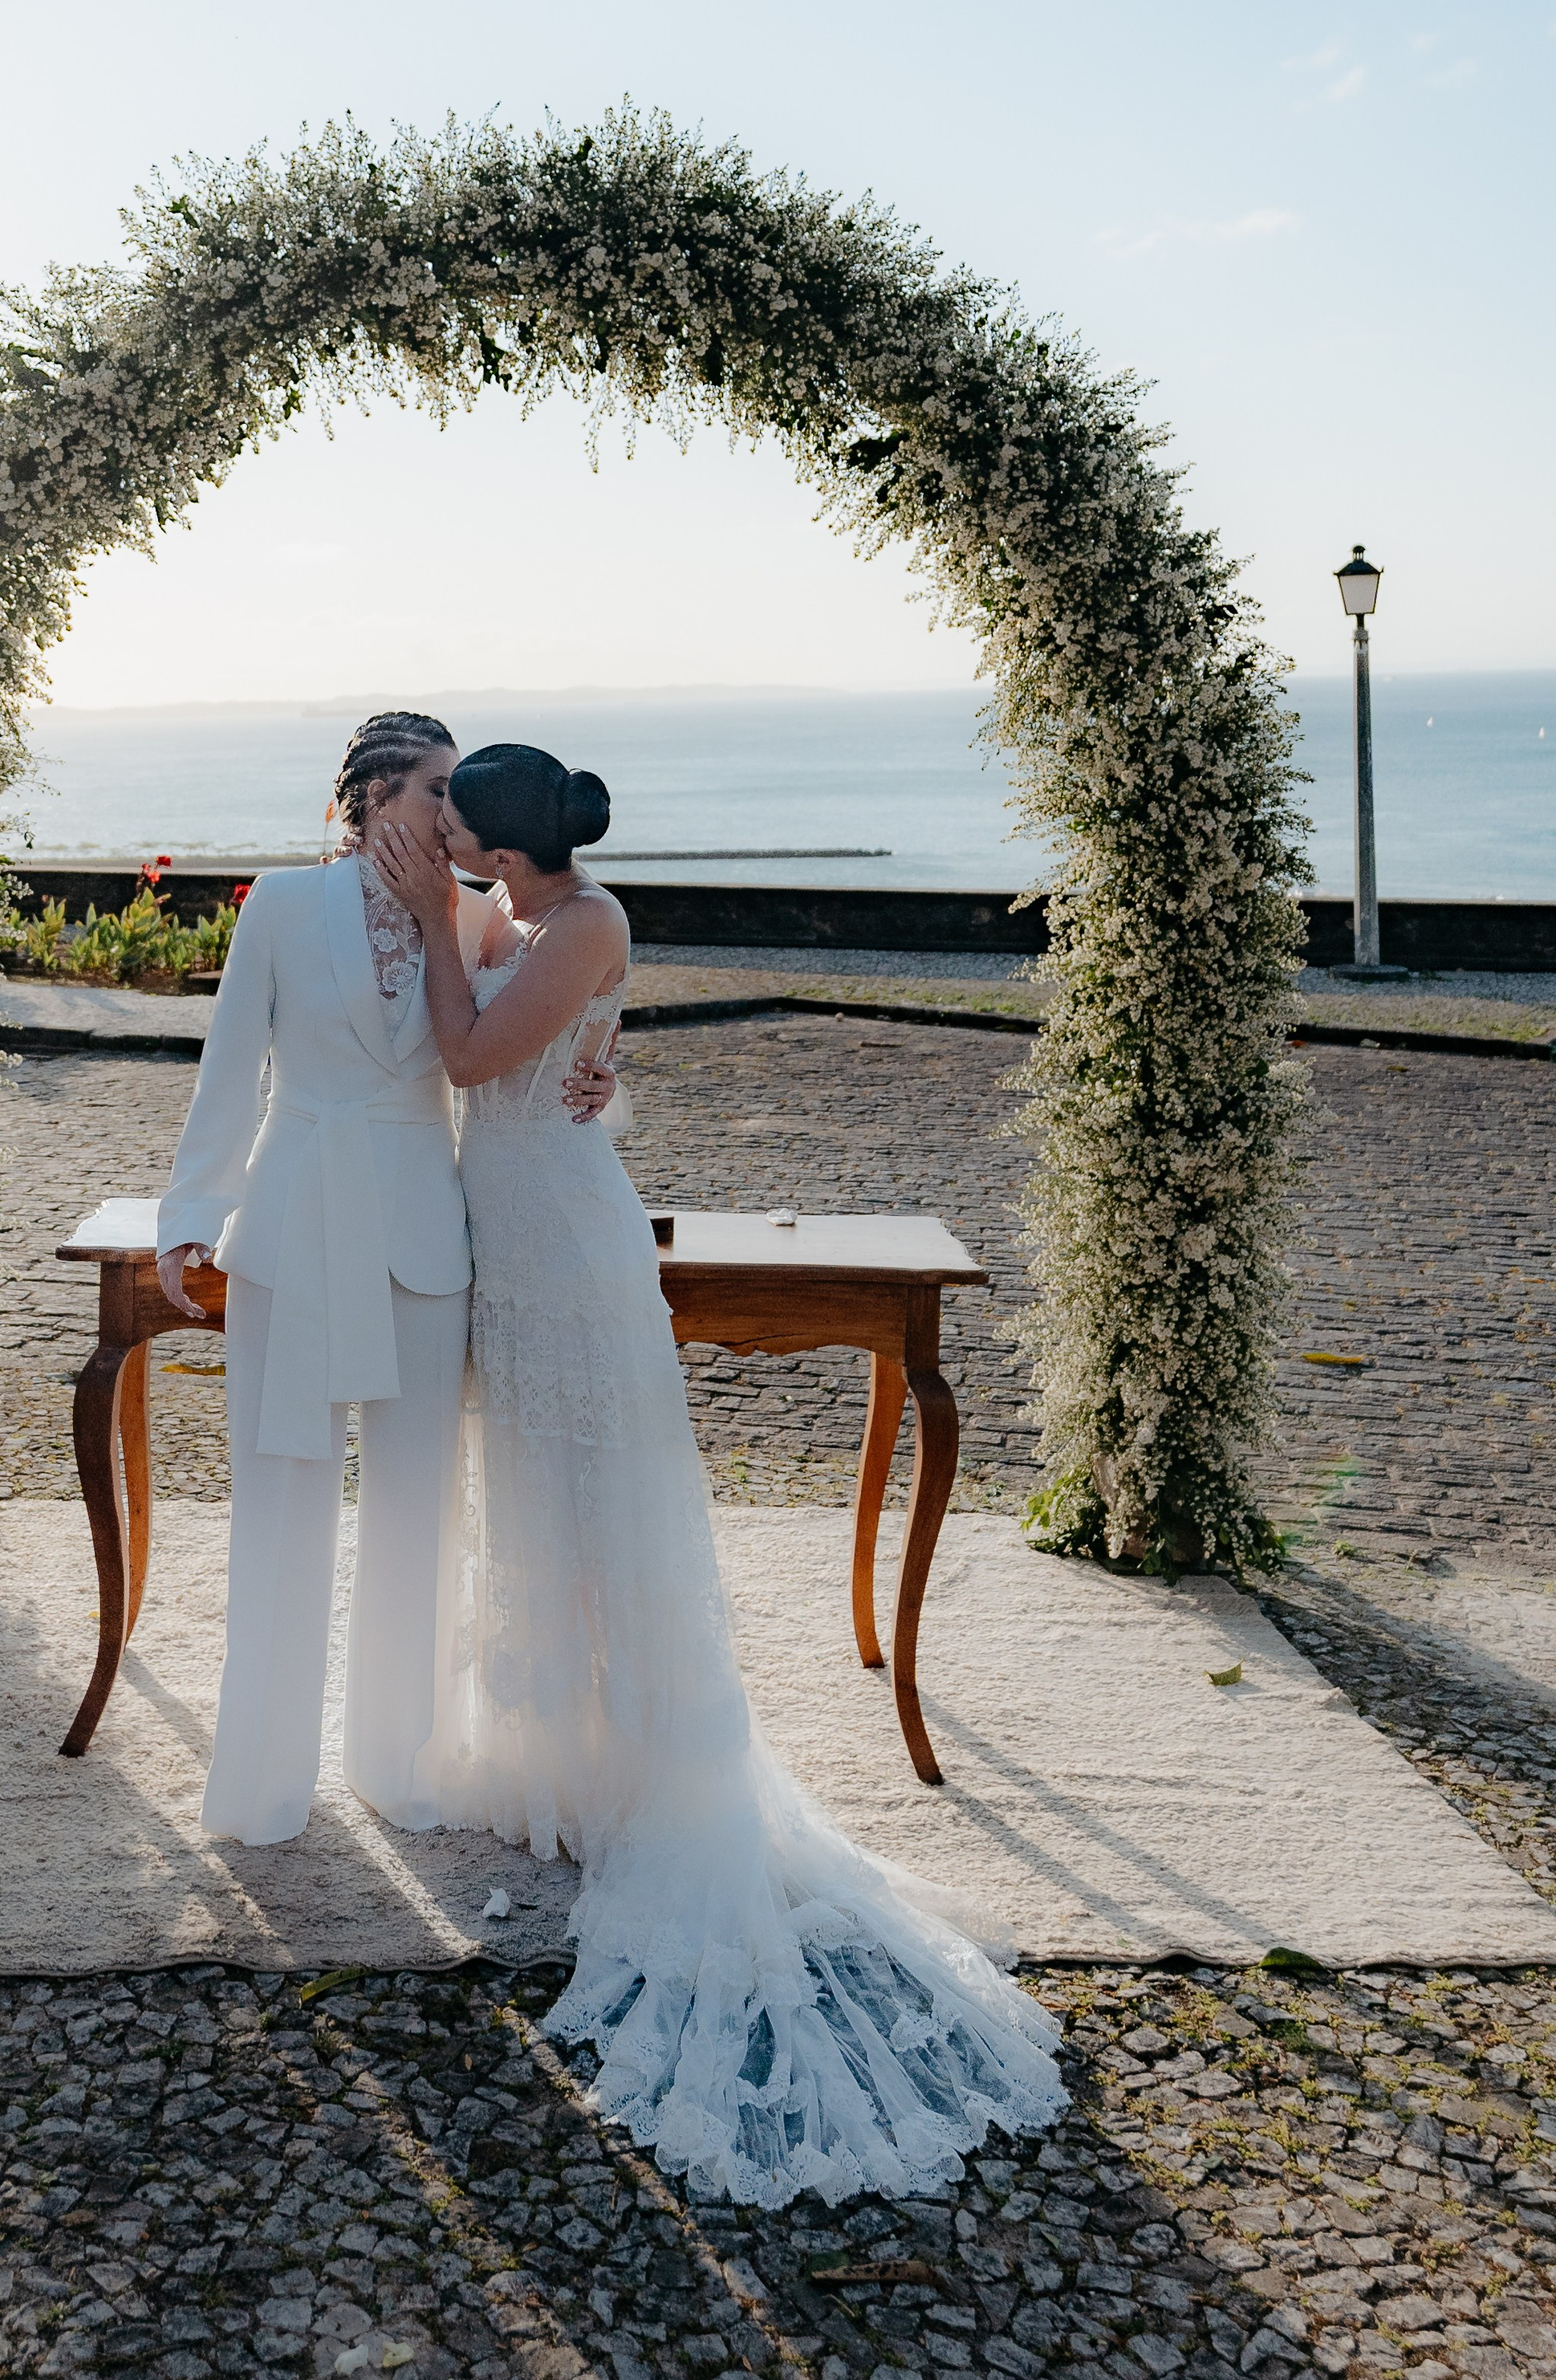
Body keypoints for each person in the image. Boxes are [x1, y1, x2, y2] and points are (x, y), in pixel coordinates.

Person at [373, 746, 1065, 2208]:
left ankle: (656, 1760)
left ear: (502, 842)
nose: (444, 836)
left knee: (610, 1507)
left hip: (568, 1247)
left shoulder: (593, 923)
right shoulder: (527, 916)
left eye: (459, 822)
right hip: (517, 1235)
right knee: (545, 1512)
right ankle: (576, 1752)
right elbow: (537, 1047)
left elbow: (476, 1057)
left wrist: (446, 933)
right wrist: (461, 936)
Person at [152, 714, 613, 1846]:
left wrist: (611, 1083)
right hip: (294, 1221)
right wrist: (191, 1216)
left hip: (422, 1237)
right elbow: (229, 1068)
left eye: (461, 797)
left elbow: (564, 1043)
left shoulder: (482, 918)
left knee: (416, 1511)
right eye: (438, 792)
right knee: (281, 1505)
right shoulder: (279, 904)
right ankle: (262, 1783)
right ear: (371, 797)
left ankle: (396, 1767)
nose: (457, 818)